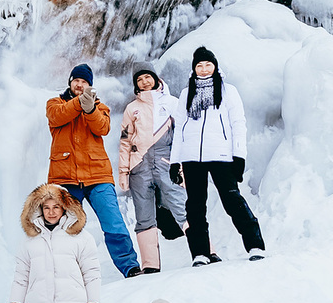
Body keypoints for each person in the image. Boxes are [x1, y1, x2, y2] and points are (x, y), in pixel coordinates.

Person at [170, 47, 266, 265]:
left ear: (215, 66)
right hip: (191, 157)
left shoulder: (228, 91)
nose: (203, 70)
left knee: (232, 200)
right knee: (194, 206)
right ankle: (200, 253)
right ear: (194, 69)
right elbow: (180, 130)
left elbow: (238, 124)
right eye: (199, 66)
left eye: (207, 65)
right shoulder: (187, 94)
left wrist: (239, 156)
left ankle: (255, 245)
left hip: (221, 156)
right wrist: (175, 161)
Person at [46, 64, 141, 277]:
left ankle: (131, 267)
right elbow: (57, 117)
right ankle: (62, 273)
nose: (79, 85)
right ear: (70, 82)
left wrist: (89, 109)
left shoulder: (101, 107)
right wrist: (79, 104)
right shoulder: (55, 103)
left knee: (113, 222)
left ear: (90, 86)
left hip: (98, 175)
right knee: (63, 228)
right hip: (65, 177)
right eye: (76, 81)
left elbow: (102, 128)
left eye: (84, 82)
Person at [118, 67, 192, 273]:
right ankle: (150, 264)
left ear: (155, 79)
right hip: (138, 166)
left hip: (166, 162)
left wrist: (183, 167)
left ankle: (203, 251)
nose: (144, 82)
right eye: (139, 79)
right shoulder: (132, 108)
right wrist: (123, 172)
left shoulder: (172, 102)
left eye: (147, 77)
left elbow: (183, 135)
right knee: (143, 215)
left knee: (182, 206)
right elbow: (124, 142)